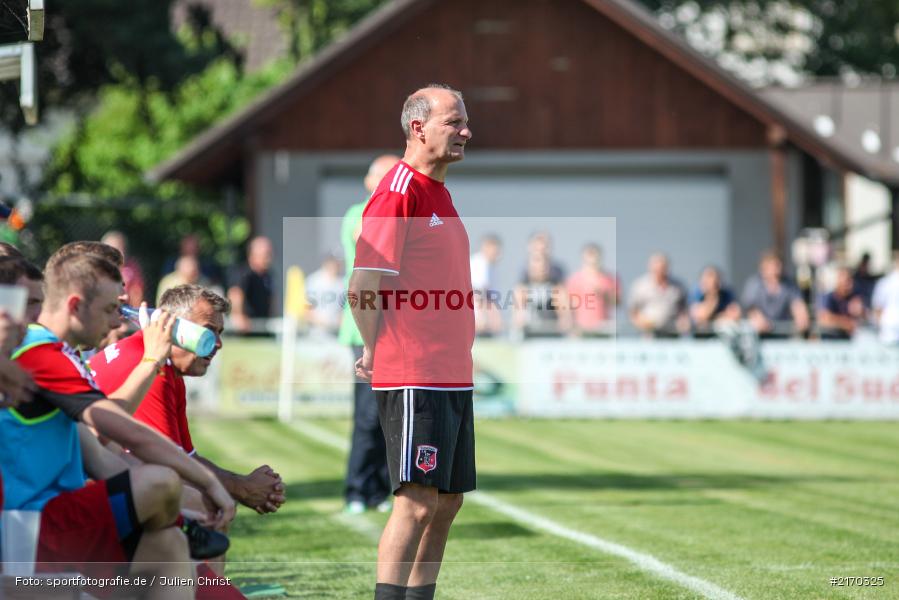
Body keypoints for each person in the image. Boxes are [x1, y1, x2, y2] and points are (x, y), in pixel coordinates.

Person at [1, 253, 235, 598]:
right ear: (76, 304)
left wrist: (178, 515)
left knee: (169, 547)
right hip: (27, 531)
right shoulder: (39, 353)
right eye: (111, 308)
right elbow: (122, 429)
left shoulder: (55, 354)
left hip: (54, 522)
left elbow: (98, 453)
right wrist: (210, 484)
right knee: (162, 481)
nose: (117, 321)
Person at [348, 83, 475, 600]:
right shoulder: (397, 190)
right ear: (418, 128)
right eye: (455, 122)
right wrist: (375, 351)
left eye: (466, 121)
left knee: (447, 502)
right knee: (417, 500)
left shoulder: (438, 191)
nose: (467, 131)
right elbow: (362, 287)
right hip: (414, 372)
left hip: (450, 371)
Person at [90, 284, 285, 573]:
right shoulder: (152, 367)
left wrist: (237, 483)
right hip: (83, 495)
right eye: (209, 330)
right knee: (207, 505)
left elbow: (184, 457)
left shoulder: (163, 366)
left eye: (220, 333)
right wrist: (239, 487)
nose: (217, 344)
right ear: (174, 326)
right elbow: (172, 464)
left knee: (201, 498)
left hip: (95, 480)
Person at [338, 154, 398, 515]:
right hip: (363, 328)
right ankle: (357, 489)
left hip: (393, 325)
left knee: (388, 413)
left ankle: (377, 489)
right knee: (366, 414)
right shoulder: (358, 213)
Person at [741, 251, 810, 338]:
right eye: (773, 266)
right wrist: (759, 320)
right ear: (763, 268)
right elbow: (750, 308)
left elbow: (798, 307)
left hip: (781, 337)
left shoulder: (789, 285)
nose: (776, 270)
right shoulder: (754, 284)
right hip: (758, 336)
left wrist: (801, 318)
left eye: (778, 266)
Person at [628, 253, 689, 337]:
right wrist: (642, 323)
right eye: (656, 269)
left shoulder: (678, 286)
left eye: (662, 268)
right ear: (650, 268)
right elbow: (633, 312)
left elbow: (684, 310)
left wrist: (684, 322)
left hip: (672, 333)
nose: (660, 271)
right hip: (648, 334)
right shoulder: (640, 286)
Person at [513, 252, 571, 337]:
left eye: (544, 265)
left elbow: (565, 316)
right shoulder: (522, 288)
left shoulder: (556, 288)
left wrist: (564, 320)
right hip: (529, 336)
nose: (540, 268)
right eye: (536, 264)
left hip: (551, 336)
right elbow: (518, 315)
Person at [566, 243, 618, 336]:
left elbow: (617, 302)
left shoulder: (610, 278)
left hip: (604, 329)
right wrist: (572, 328)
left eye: (595, 254)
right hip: (581, 329)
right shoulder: (574, 279)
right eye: (589, 254)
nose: (592, 258)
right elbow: (568, 306)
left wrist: (604, 294)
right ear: (583, 257)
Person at [228, 236, 275, 333]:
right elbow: (235, 293)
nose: (269, 258)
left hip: (263, 327)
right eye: (266, 254)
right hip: (246, 329)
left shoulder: (268, 276)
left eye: (270, 254)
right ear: (253, 255)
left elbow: (271, 299)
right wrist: (238, 315)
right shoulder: (243, 273)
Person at [689, 266, 740, 335]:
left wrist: (713, 320)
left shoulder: (727, 293)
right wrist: (711, 298)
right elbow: (700, 318)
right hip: (700, 338)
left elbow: (735, 315)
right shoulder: (696, 293)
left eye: (714, 281)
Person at [817, 267, 864, 340]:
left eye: (850, 280)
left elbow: (863, 321)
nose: (849, 285)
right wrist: (845, 323)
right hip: (831, 341)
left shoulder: (854, 298)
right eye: (846, 281)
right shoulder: (829, 297)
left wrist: (861, 313)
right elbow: (823, 319)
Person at [470, 234, 504, 336]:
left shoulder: (490, 267)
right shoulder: (479, 264)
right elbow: (479, 296)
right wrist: (491, 319)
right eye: (495, 249)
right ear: (485, 247)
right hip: (474, 319)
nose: (498, 254)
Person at [101, 230, 145, 306]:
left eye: (123, 248)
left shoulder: (131, 269)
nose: (121, 252)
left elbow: (136, 293)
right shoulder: (97, 269)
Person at [305, 253, 346, 335]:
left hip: (336, 334)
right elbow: (307, 311)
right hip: (316, 334)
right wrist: (323, 321)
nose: (336, 266)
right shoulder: (314, 281)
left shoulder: (342, 283)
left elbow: (343, 311)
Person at [872, 251, 899, 344]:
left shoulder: (884, 282)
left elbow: (877, 309)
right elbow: (878, 309)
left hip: (888, 331)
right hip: (889, 332)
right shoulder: (886, 283)